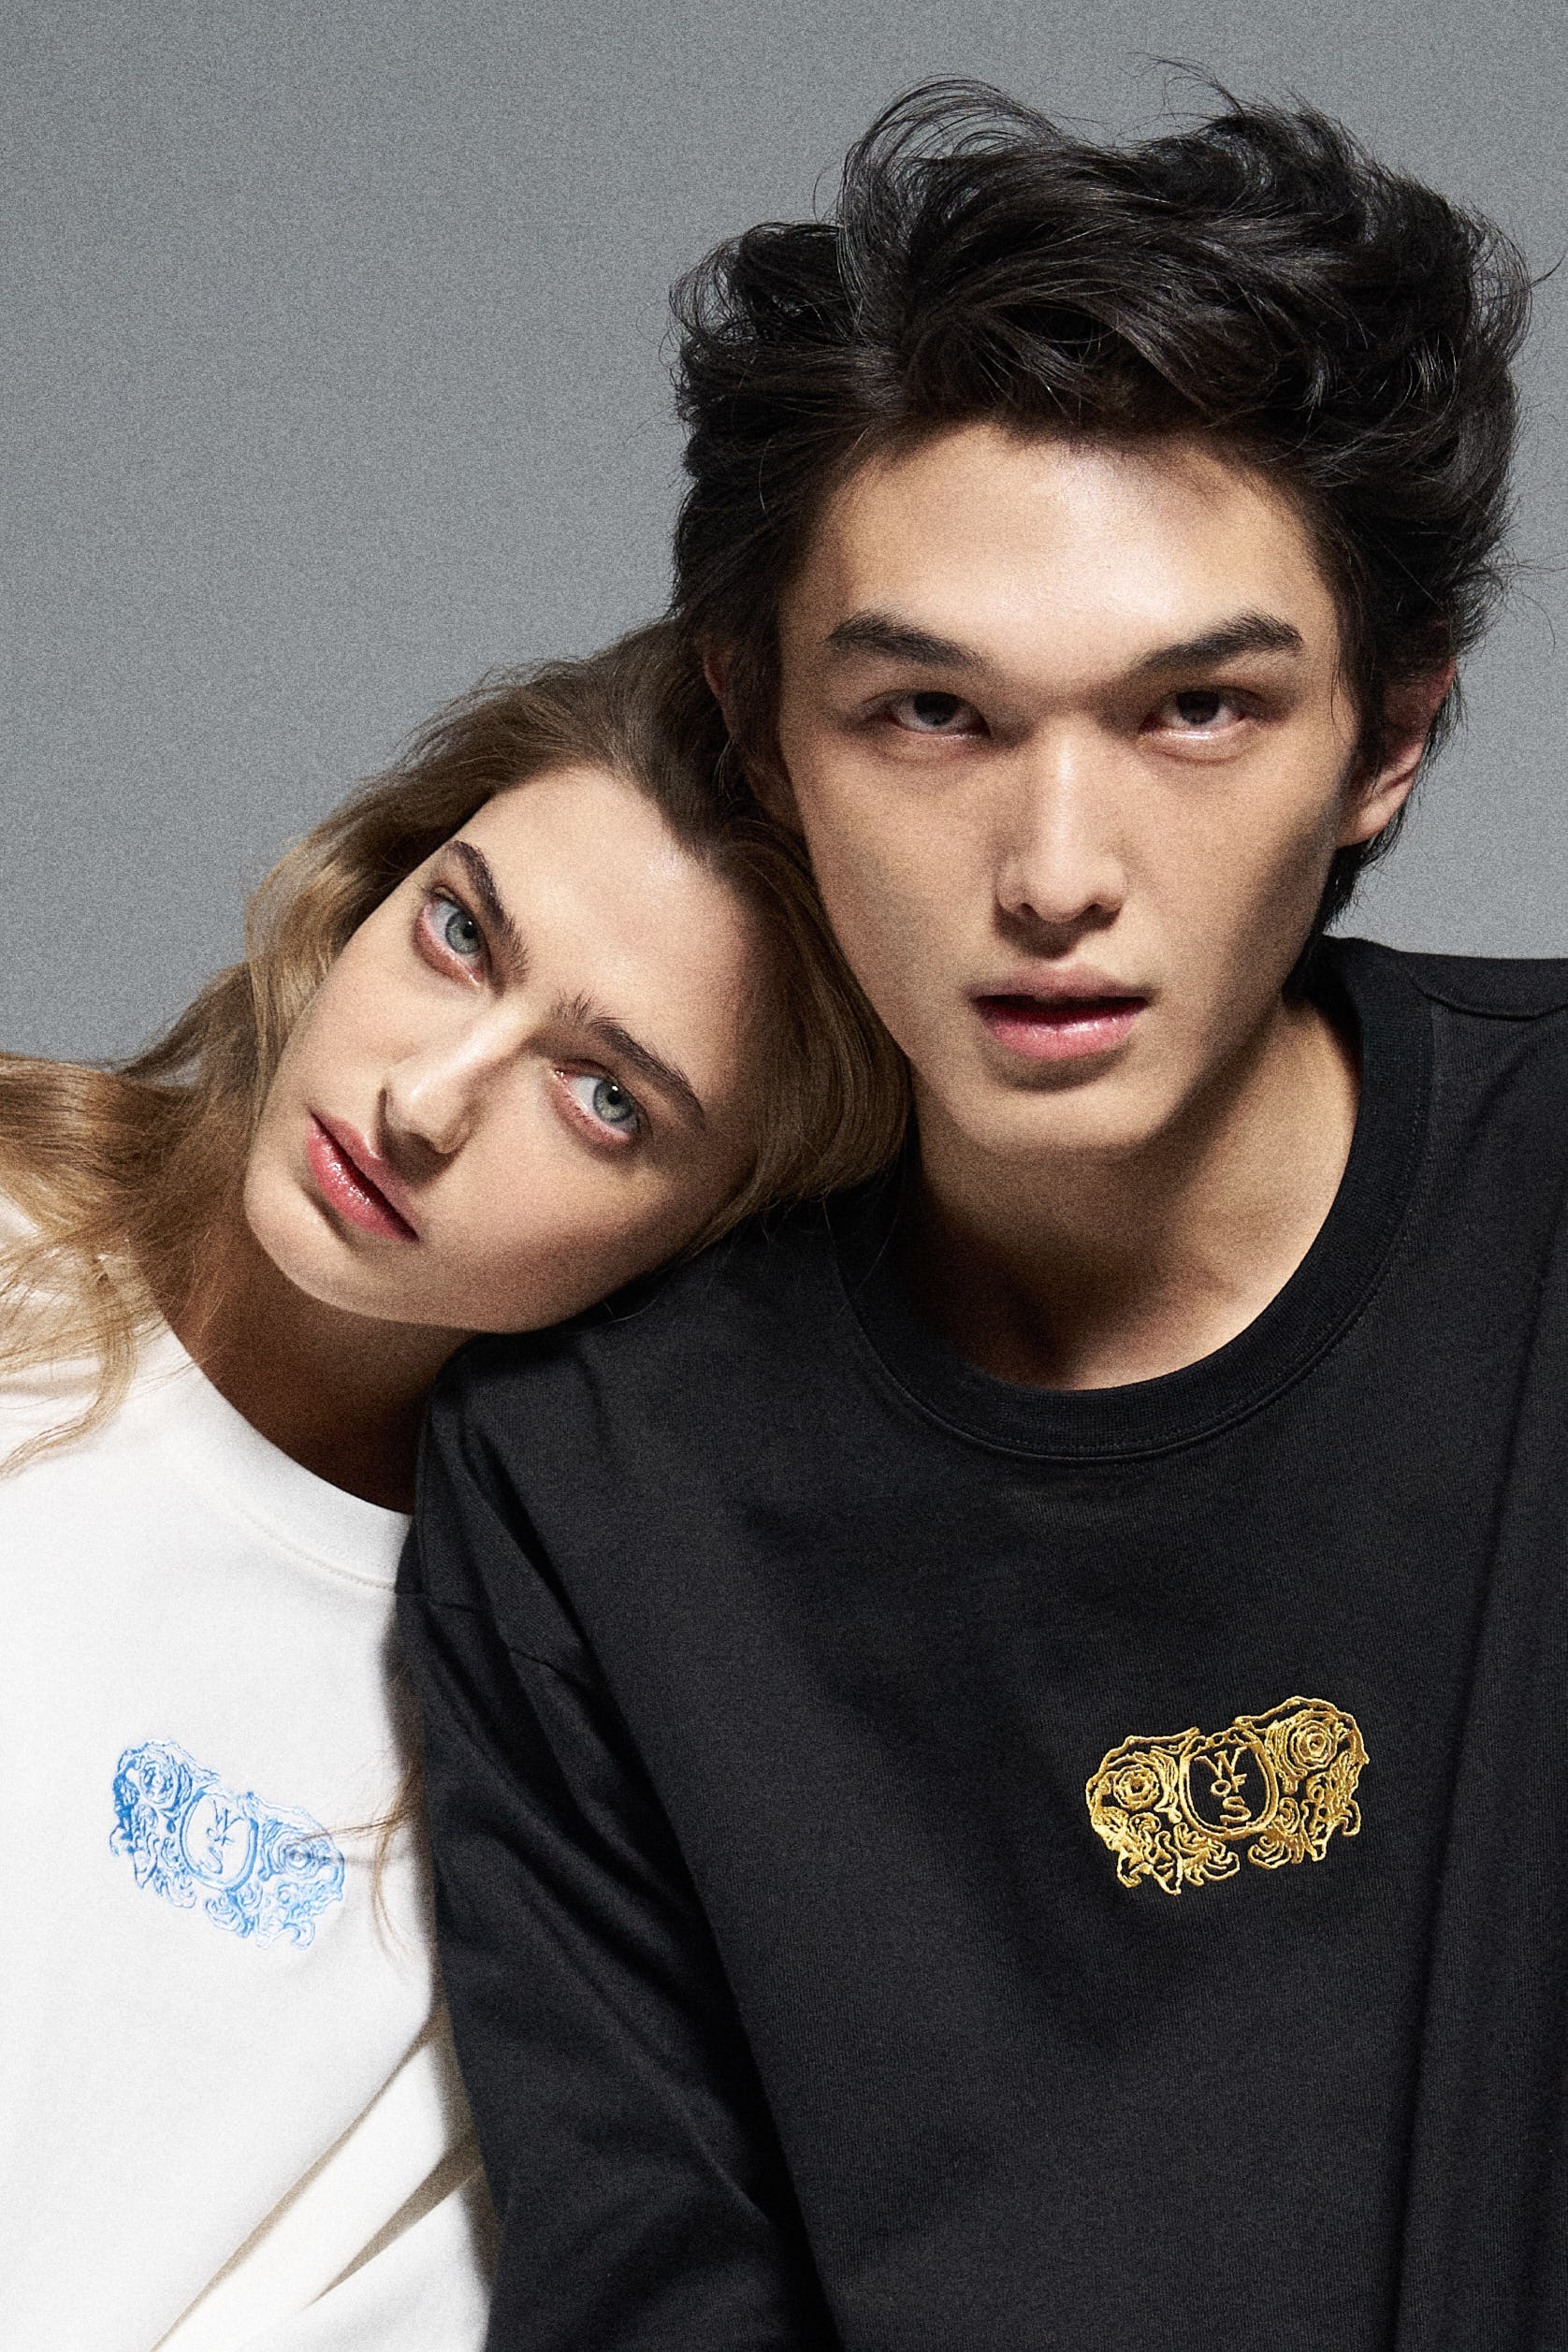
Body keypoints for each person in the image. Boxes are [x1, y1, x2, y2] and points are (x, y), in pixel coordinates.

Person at [400, 83, 1568, 2352]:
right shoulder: (593, 1476)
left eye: (1196, 710)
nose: (1054, 874)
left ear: (1388, 737)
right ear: (758, 732)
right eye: (932, 714)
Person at [0, 622, 904, 2352]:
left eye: (605, 1095)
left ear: (725, 1230)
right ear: (381, 876)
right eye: (463, 932)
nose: (424, 1098)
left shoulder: (560, 1753)